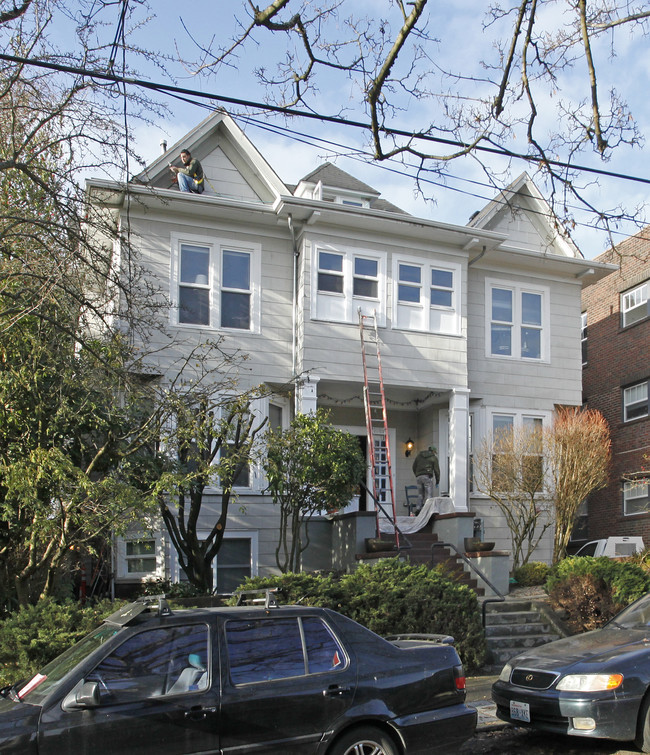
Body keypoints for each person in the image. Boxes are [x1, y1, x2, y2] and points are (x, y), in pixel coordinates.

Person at [411, 445, 440, 511]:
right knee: (429, 495)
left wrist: (417, 474)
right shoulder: (433, 458)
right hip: (427, 477)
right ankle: (428, 510)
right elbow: (436, 470)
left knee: (420, 494)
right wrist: (437, 481)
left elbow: (414, 466)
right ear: (433, 451)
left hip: (419, 477)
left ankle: (418, 509)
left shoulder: (419, 456)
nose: (435, 454)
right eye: (434, 452)